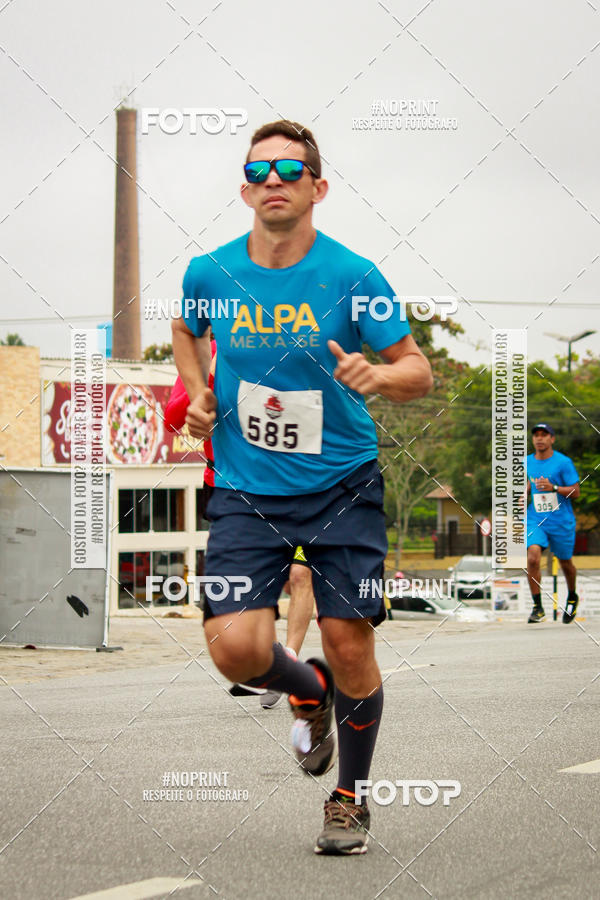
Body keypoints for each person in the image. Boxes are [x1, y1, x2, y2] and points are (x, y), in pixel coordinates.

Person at [172, 119, 432, 854]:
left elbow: (417, 370)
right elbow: (186, 331)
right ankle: (308, 691)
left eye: (290, 170)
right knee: (234, 649)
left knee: (348, 642)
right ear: (244, 191)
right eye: (259, 172)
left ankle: (349, 799)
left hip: (341, 484)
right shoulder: (210, 274)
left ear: (318, 188)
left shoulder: (353, 276)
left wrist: (377, 374)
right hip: (247, 489)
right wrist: (198, 391)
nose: (273, 181)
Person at [165, 352, 315, 709]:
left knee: (300, 574)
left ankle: (290, 656)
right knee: (246, 586)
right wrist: (208, 379)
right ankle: (271, 660)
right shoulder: (205, 357)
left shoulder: (280, 348)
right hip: (229, 488)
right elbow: (172, 419)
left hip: (295, 484)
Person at [526, 423, 580, 624]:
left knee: (565, 563)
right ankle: (537, 607)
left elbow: (576, 491)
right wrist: (524, 494)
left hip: (560, 520)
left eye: (544, 435)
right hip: (535, 518)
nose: (539, 438)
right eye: (536, 435)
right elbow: (529, 482)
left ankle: (572, 596)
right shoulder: (526, 461)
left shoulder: (563, 462)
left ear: (552, 439)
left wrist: (554, 488)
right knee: (532, 558)